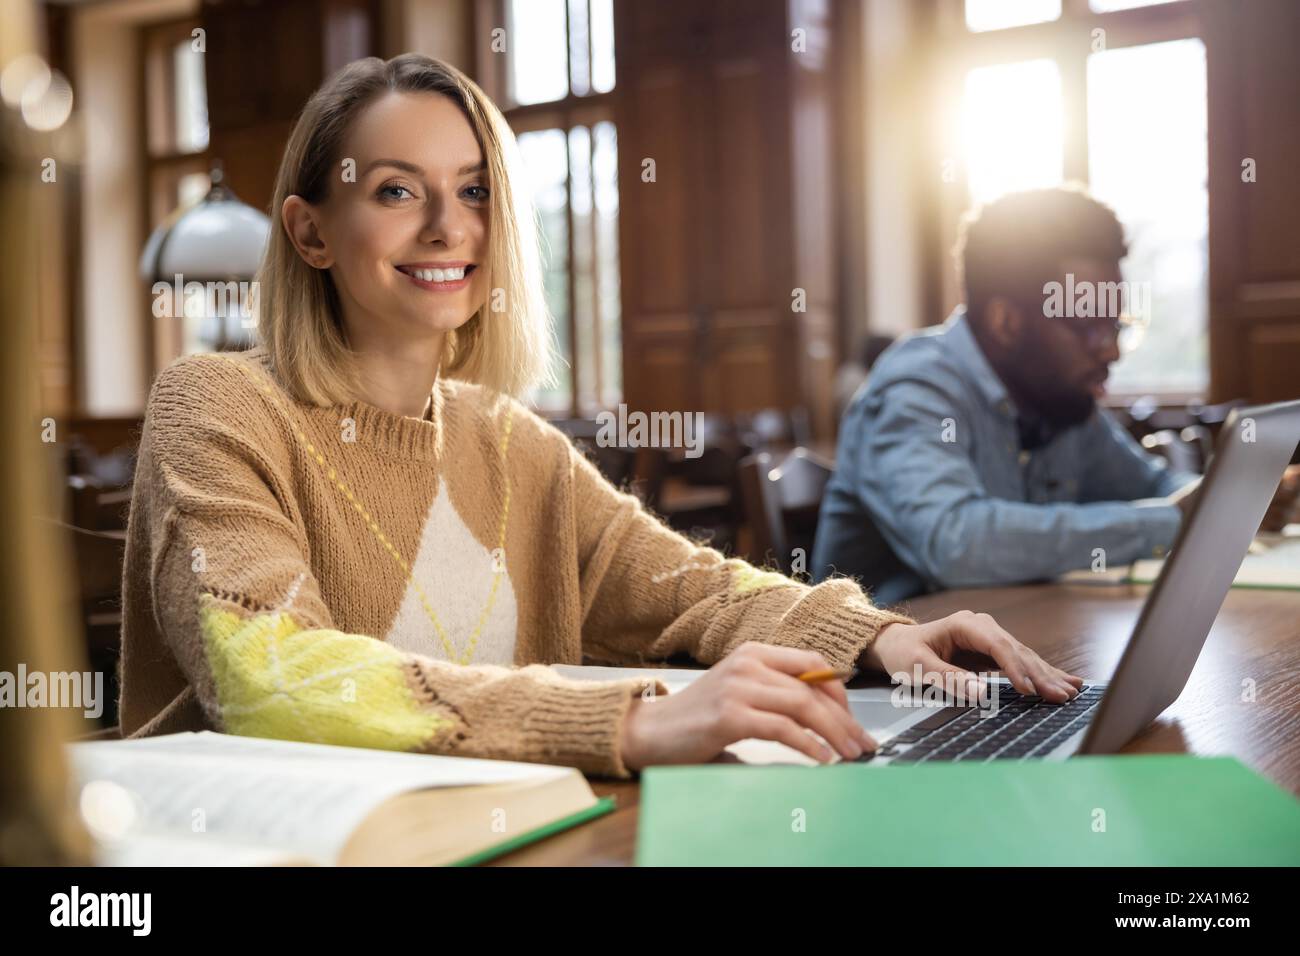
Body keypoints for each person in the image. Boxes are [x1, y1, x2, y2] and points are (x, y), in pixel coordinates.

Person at [119, 55, 1082, 779]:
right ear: (311, 231)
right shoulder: (216, 404)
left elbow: (690, 589)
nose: (449, 228)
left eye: (476, 191)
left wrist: (873, 638)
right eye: (396, 191)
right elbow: (267, 676)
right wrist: (627, 723)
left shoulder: (511, 442)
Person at [812, 185, 1297, 603]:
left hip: (1013, 654)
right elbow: (957, 544)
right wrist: (1174, 522)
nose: (1110, 350)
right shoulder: (915, 388)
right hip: (886, 689)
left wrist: (1231, 502)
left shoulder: (1060, 402)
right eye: (1088, 326)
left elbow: (1153, 487)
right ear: (1006, 322)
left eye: (1117, 325)